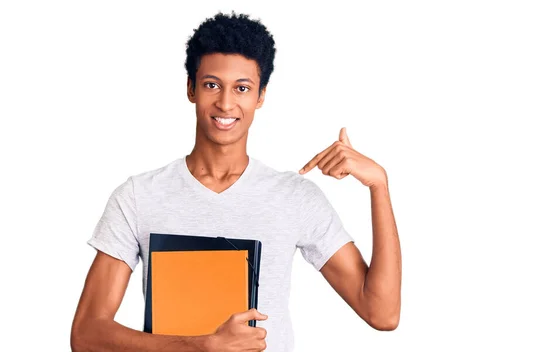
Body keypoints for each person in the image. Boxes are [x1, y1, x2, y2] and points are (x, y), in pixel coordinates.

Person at [70, 11, 401, 352]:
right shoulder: (139, 197)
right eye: (212, 84)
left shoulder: (294, 197)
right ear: (191, 88)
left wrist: (379, 185)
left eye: (242, 88)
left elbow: (382, 313)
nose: (226, 103)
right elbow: (86, 335)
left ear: (260, 96)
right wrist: (203, 345)